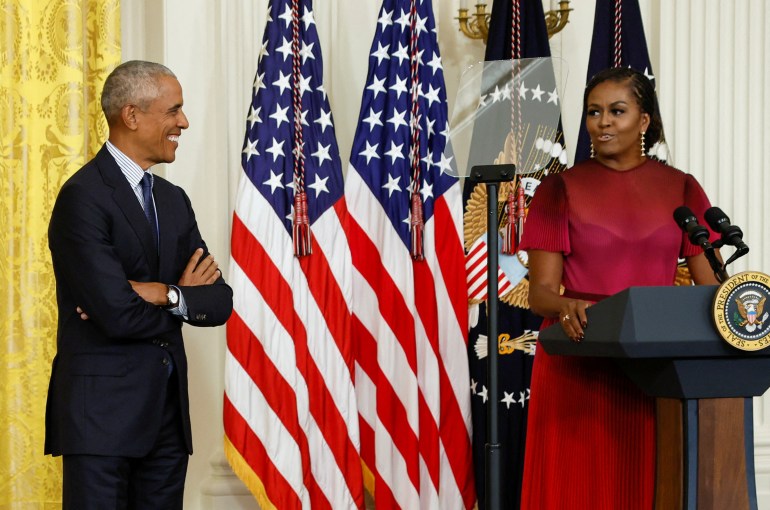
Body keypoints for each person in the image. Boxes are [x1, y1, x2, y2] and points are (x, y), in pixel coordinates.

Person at [518, 67, 720, 509]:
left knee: (647, 484)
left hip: (654, 366)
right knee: (578, 488)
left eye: (617, 111)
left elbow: (715, 292)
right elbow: (541, 293)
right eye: (594, 112)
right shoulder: (559, 189)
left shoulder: (681, 188)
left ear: (644, 121)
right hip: (580, 358)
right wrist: (570, 303)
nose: (602, 122)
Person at [45, 60, 233, 509]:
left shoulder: (173, 200)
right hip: (101, 423)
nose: (183, 122)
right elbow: (116, 314)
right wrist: (177, 299)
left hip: (167, 422)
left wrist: (162, 292)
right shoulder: (83, 197)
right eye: (174, 111)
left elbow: (219, 301)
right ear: (132, 115)